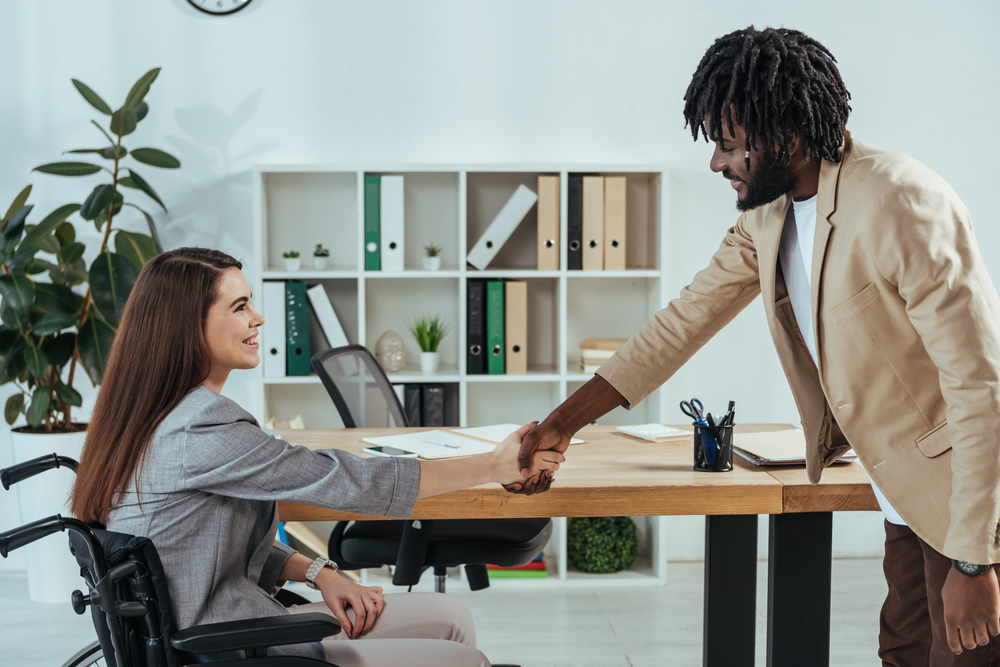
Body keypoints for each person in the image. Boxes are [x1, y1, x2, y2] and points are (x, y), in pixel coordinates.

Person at [510, 26, 1000, 665]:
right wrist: (561, 425)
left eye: (730, 145)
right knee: (902, 651)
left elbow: (980, 384)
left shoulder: (900, 202)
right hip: (903, 500)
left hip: (965, 503)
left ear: (788, 137)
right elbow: (681, 323)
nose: (716, 162)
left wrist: (974, 557)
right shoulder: (769, 214)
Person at [70, 247, 563, 667]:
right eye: (239, 307)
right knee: (465, 659)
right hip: (228, 645)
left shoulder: (149, 414)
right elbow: (345, 482)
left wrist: (319, 573)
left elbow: (207, 547)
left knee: (452, 617)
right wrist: (492, 466)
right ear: (187, 327)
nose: (257, 318)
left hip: (217, 624)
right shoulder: (200, 426)